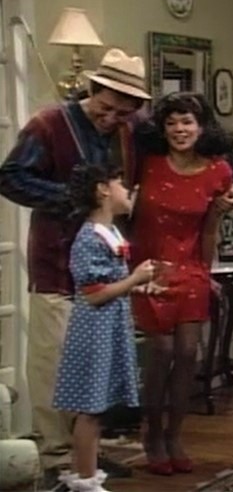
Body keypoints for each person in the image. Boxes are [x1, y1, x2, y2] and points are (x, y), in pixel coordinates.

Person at [0, 48, 150, 489]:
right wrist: (75, 199)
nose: (111, 118)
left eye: (122, 113)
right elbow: (10, 177)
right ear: (93, 89)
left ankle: (86, 456)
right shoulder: (49, 124)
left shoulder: (127, 132)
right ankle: (55, 458)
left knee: (92, 370)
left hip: (103, 265)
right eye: (106, 108)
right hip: (57, 263)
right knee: (54, 362)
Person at [130, 92, 233, 475]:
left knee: (188, 352)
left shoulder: (218, 171)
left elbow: (208, 230)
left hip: (190, 268)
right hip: (147, 269)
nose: (179, 129)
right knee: (160, 350)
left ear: (202, 127)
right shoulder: (146, 164)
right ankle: (152, 435)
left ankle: (175, 436)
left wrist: (207, 274)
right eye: (171, 122)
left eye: (187, 121)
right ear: (162, 128)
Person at [52, 164, 154, 492]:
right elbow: (94, 294)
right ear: (103, 190)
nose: (128, 190)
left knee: (98, 409)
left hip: (110, 327)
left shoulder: (110, 233)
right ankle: (85, 481)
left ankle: (84, 474)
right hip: (94, 331)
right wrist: (134, 279)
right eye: (121, 184)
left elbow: (112, 283)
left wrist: (139, 285)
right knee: (90, 409)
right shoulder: (88, 238)